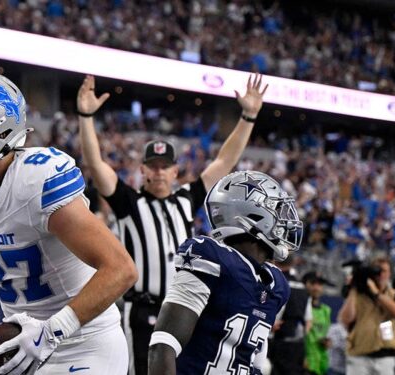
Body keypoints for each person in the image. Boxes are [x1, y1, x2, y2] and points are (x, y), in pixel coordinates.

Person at [0, 71, 138, 374]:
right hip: (16, 340)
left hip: (85, 341)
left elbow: (121, 270)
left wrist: (51, 331)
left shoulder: (36, 181)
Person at [77, 73, 269, 374]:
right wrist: (86, 116)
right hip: (142, 308)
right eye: (152, 167)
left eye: (165, 167)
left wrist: (248, 116)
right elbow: (96, 163)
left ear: (175, 171)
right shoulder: (128, 202)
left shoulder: (186, 198)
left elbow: (224, 162)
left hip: (183, 305)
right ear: (142, 170)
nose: (159, 173)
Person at [148, 170, 302, 375]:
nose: (285, 222)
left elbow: (254, 366)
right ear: (254, 214)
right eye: (278, 211)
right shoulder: (210, 257)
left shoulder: (276, 284)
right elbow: (163, 345)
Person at [338, 256, 395, 375]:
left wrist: (376, 293)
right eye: (377, 270)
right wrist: (354, 288)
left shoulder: (394, 294)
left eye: (384, 271)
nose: (380, 274)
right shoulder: (359, 294)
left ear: (389, 273)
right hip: (359, 356)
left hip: (385, 356)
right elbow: (345, 319)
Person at [270, 256, 312, 375]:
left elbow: (274, 318)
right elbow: (308, 321)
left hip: (275, 341)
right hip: (296, 345)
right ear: (293, 263)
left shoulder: (276, 282)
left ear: (275, 260)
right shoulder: (303, 287)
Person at [303, 271, 332, 375]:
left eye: (320, 284)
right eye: (313, 283)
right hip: (303, 363)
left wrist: (326, 342)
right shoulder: (300, 307)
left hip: (321, 364)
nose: (316, 287)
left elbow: (324, 333)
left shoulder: (326, 310)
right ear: (305, 284)